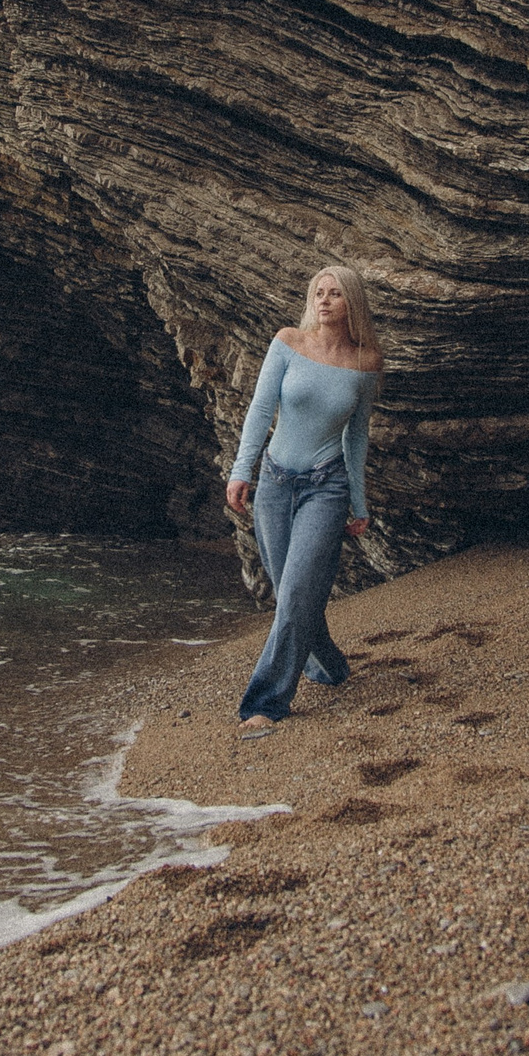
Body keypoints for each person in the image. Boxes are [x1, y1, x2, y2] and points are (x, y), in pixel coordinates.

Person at [225, 265, 383, 739]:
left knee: (296, 592)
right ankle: (329, 664)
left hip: (326, 486)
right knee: (286, 590)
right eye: (319, 292)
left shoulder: (366, 362)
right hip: (274, 481)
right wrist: (241, 470)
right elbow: (259, 408)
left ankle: (267, 703)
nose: (325, 300)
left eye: (335, 293)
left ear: (351, 302)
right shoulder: (288, 341)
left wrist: (358, 500)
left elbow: (357, 436)